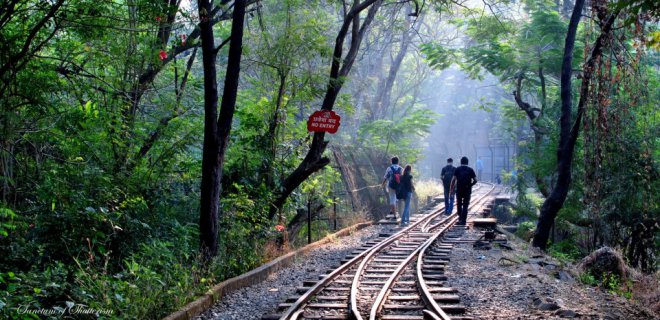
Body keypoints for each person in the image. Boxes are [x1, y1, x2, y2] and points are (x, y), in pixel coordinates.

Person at [450, 156, 477, 225]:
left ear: (461, 162)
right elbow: (475, 180)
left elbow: (453, 180)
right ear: (467, 162)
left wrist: (451, 189)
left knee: (459, 204)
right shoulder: (471, 170)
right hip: (467, 190)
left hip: (459, 190)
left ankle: (460, 218)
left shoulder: (457, 169)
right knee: (465, 205)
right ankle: (464, 220)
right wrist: (470, 185)